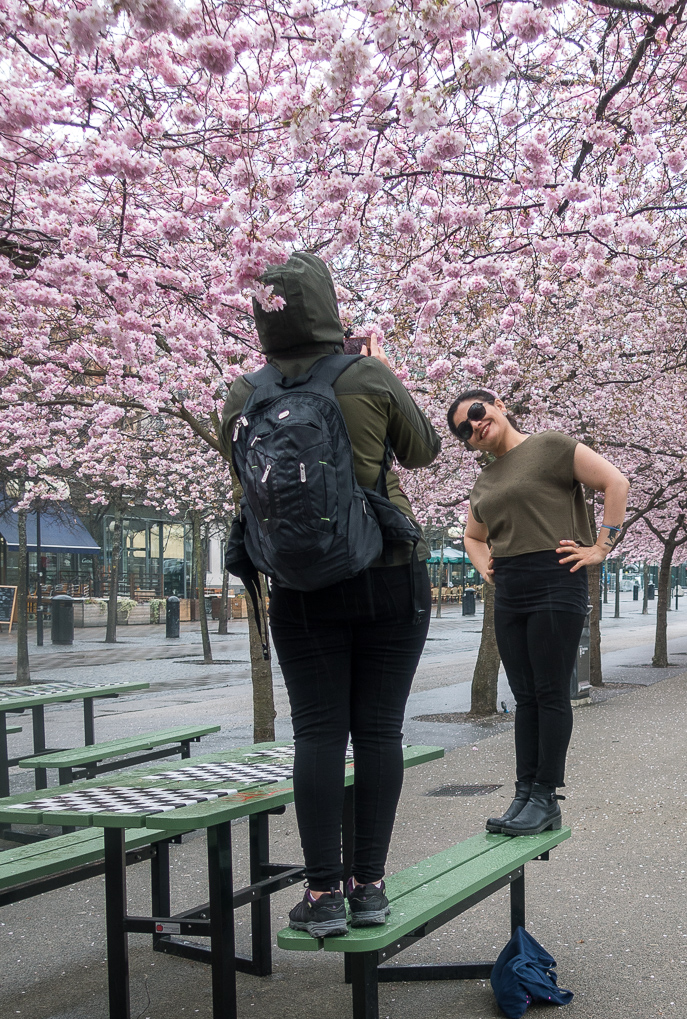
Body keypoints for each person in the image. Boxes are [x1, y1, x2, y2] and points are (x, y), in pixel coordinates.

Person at [222, 252, 440, 939]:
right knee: (376, 731)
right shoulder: (366, 374)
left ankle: (321, 893)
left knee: (317, 734)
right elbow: (424, 449)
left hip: (298, 585)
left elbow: (248, 478)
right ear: (327, 307)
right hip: (386, 572)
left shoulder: (242, 393)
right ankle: (368, 886)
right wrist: (376, 368)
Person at [449, 390, 630, 836]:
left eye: (476, 412)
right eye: (463, 429)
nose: (474, 425)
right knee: (524, 695)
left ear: (497, 405)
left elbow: (616, 483)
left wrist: (601, 548)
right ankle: (524, 792)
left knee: (549, 693)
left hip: (555, 577)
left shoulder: (550, 445)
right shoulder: (485, 482)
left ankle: (546, 796)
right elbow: (473, 537)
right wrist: (484, 568)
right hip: (509, 586)